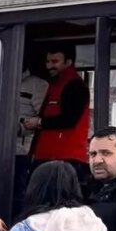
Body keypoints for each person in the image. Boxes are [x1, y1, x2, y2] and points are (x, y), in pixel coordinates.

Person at [26, 46, 91, 181]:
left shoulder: (74, 85)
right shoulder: (57, 84)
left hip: (63, 156)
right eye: (48, 62)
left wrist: (39, 122)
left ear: (68, 62)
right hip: (52, 155)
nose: (49, 66)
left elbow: (69, 119)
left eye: (55, 62)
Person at [14, 64, 49, 217]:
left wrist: (20, 128)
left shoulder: (38, 84)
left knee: (17, 194)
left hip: (22, 149)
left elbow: (44, 118)